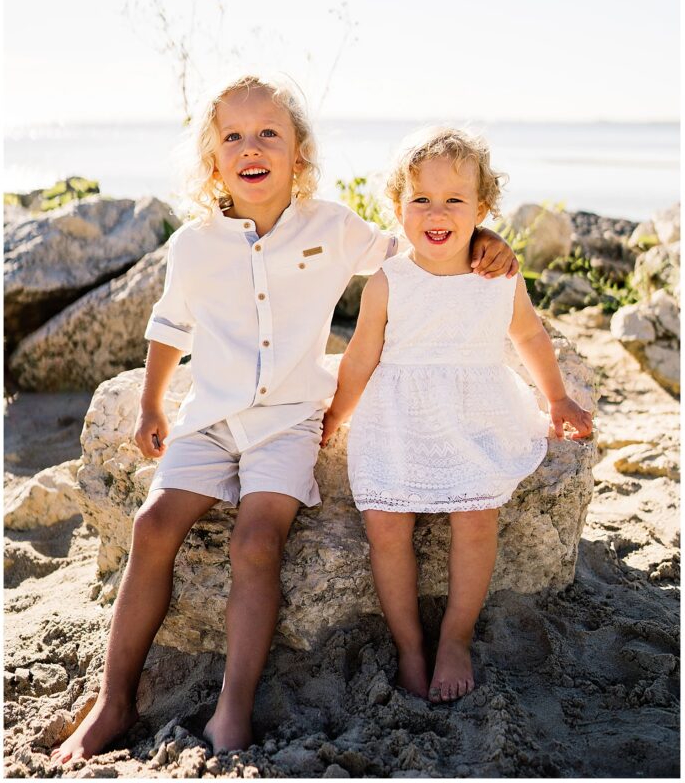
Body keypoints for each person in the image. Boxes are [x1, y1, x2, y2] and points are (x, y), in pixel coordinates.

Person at [52, 78, 519, 765]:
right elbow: (169, 324)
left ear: (299, 153)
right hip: (209, 414)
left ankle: (231, 709)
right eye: (233, 137)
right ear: (212, 160)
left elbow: (418, 248)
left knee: (256, 542)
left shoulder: (331, 227)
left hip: (290, 421)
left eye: (269, 133)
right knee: (153, 527)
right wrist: (152, 402)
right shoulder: (194, 245)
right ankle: (114, 698)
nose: (251, 147)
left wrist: (482, 238)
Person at [322, 126, 593, 704]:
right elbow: (360, 358)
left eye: (454, 200)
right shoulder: (389, 280)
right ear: (397, 208)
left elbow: (529, 334)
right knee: (386, 527)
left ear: (482, 209)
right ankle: (409, 645)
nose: (436, 212)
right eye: (420, 199)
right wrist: (335, 416)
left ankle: (455, 637)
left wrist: (557, 397)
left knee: (477, 514)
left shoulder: (496, 275)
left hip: (474, 416)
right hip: (397, 419)